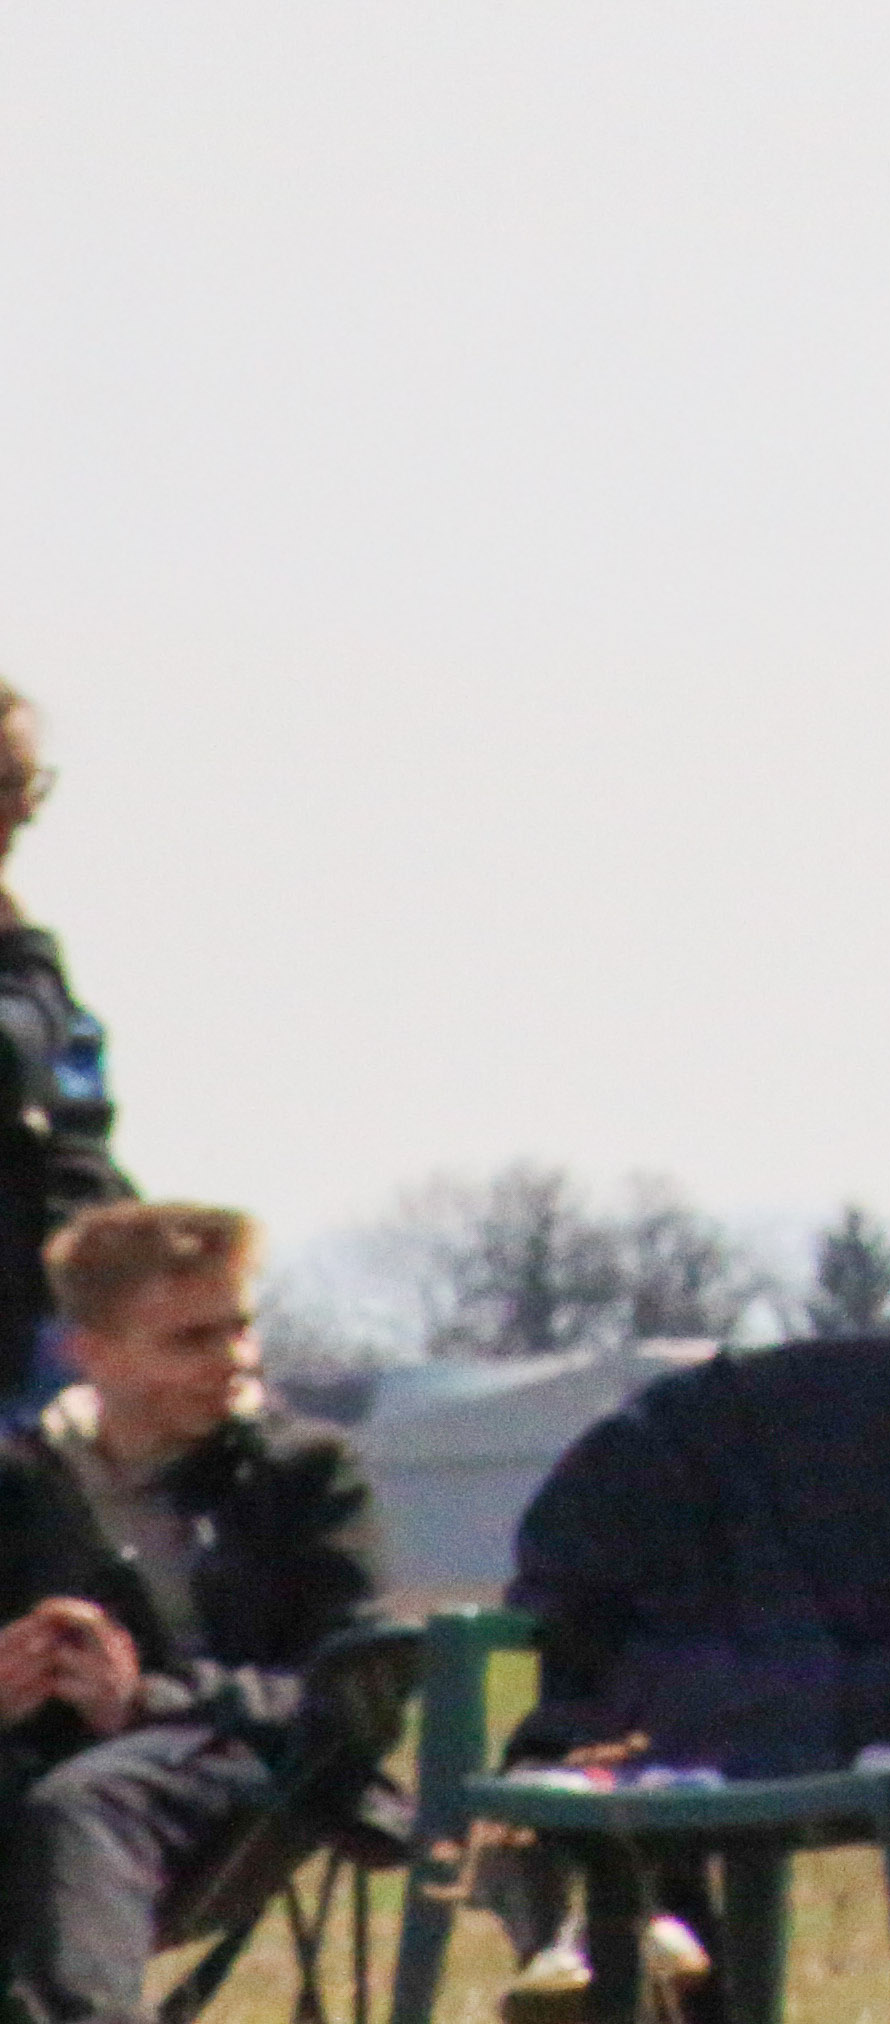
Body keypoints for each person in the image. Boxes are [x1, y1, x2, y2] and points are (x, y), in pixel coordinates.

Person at [0, 1205, 384, 2024]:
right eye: (191, 1340)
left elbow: (357, 1685)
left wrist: (147, 1701)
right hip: (47, 1770)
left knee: (84, 1805)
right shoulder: (23, 1487)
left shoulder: (304, 1473)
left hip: (246, 1770)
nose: (234, 1361)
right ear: (89, 1352)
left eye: (239, 1329)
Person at [0, 696, 129, 1394]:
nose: (26, 811)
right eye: (5, 784)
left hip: (45, 1339)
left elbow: (80, 1133)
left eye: (31, 782)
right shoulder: (25, 966)